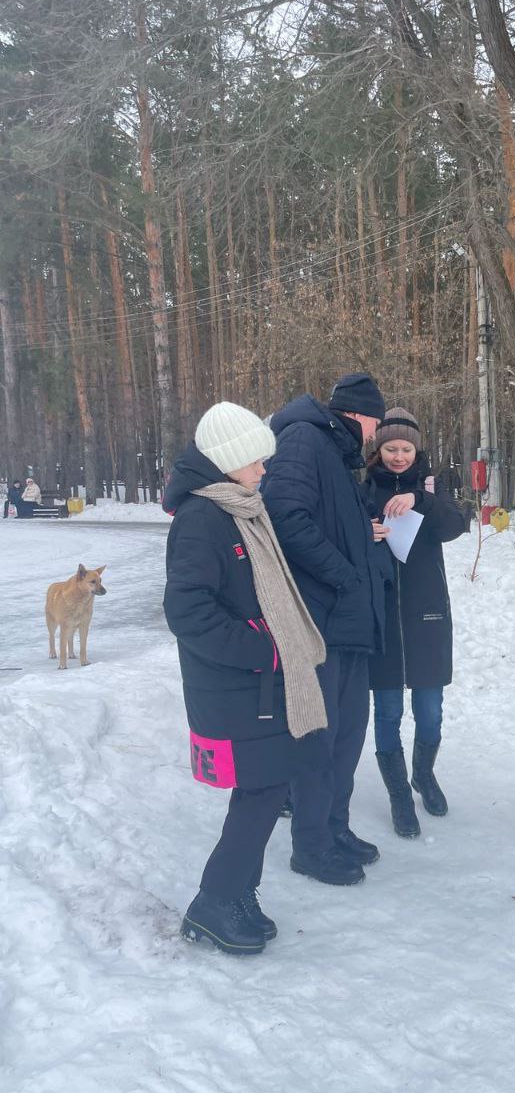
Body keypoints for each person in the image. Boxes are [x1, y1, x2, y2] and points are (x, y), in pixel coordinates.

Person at [163, 401, 329, 955]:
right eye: (256, 460)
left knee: (268, 788)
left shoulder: (238, 508)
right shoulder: (201, 519)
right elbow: (188, 613)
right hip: (236, 687)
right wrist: (267, 648)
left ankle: (237, 894)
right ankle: (214, 903)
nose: (264, 470)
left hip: (258, 685)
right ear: (227, 461)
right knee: (260, 793)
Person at [262, 372, 390, 886]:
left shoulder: (335, 454)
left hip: (349, 623)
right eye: (375, 423)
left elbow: (331, 520)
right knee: (320, 740)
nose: (376, 434)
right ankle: (311, 846)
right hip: (321, 624)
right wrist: (344, 573)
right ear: (357, 415)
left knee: (346, 737)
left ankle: (336, 828)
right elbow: (286, 517)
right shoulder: (303, 440)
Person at [363, 407, 470, 837]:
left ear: (417, 448)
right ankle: (398, 796)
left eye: (406, 448)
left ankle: (423, 775)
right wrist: (365, 531)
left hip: (428, 615)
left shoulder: (433, 483)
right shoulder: (364, 486)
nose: (399, 456)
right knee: (387, 712)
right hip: (383, 614)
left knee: (430, 712)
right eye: (391, 447)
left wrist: (419, 501)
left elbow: (456, 525)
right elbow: (344, 533)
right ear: (379, 448)